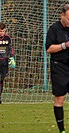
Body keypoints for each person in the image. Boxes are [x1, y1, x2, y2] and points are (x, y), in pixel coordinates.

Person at [45, 4, 69, 133]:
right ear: (62, 16)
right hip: (59, 67)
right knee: (60, 98)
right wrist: (65, 45)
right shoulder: (54, 29)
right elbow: (49, 49)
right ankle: (62, 130)